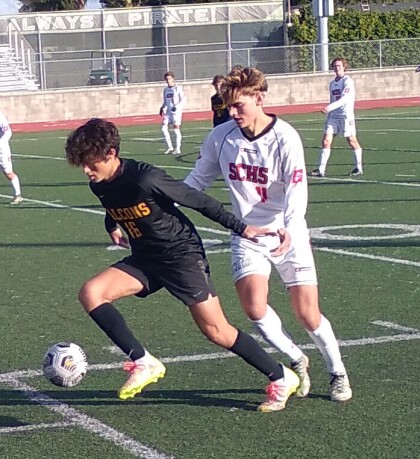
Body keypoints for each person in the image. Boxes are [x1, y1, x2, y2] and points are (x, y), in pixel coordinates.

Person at [65, 117, 300, 412]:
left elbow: (197, 201)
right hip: (146, 258)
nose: (86, 170)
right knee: (91, 293)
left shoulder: (145, 178)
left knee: (217, 331)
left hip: (181, 256)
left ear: (111, 154)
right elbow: (114, 203)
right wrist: (111, 223)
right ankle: (143, 362)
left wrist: (242, 228)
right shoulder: (99, 184)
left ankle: (280, 377)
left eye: (90, 163)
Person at [185, 66, 352, 402]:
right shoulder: (221, 137)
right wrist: (161, 202)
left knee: (307, 314)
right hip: (247, 234)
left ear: (258, 98)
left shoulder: (284, 137)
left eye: (238, 106)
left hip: (288, 233)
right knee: (254, 308)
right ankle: (296, 358)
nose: (231, 113)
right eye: (226, 106)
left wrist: (290, 229)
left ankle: (337, 372)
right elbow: (196, 182)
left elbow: (296, 190)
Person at [310, 57, 364, 177]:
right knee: (326, 141)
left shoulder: (348, 81)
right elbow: (333, 99)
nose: (337, 68)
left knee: (352, 141)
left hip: (345, 116)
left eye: (339, 66)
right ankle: (321, 169)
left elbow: (344, 99)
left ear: (344, 67)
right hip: (333, 117)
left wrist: (328, 108)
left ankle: (358, 167)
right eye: (335, 66)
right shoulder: (332, 83)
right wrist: (330, 112)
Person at [159, 71, 186, 155]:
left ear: (173, 79)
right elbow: (165, 101)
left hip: (176, 112)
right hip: (168, 113)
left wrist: (177, 107)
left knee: (176, 129)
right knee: (163, 128)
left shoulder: (178, 88)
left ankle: (178, 148)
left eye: (170, 79)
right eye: (167, 79)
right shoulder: (166, 90)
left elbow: (183, 100)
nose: (168, 81)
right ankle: (169, 147)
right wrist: (162, 107)